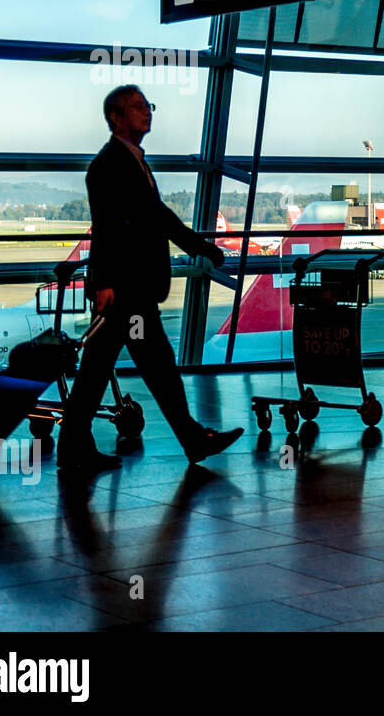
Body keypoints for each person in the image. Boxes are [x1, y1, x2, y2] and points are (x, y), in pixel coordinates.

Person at [56, 84, 244, 475]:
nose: (147, 112)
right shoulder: (109, 165)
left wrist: (200, 247)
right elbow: (106, 227)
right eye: (138, 107)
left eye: (148, 106)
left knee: (110, 370)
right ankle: (191, 439)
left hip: (130, 293)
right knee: (145, 367)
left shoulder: (132, 161)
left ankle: (76, 447)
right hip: (125, 294)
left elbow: (159, 216)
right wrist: (105, 282)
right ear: (116, 118)